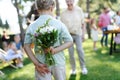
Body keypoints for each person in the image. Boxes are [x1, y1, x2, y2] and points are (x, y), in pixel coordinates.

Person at [24, 0, 73, 80]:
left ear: (37, 8)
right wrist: (55, 50)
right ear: (52, 7)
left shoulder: (32, 26)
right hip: (58, 61)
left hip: (41, 64)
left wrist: (36, 63)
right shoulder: (59, 24)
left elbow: (26, 47)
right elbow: (70, 41)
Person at [61, 0, 88, 75]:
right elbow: (62, 26)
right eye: (67, 1)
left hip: (78, 34)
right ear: (65, 2)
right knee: (71, 53)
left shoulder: (79, 10)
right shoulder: (63, 13)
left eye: (70, 1)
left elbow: (83, 23)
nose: (69, 3)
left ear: (73, 1)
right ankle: (73, 69)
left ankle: (83, 67)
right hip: (68, 36)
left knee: (80, 51)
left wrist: (83, 34)